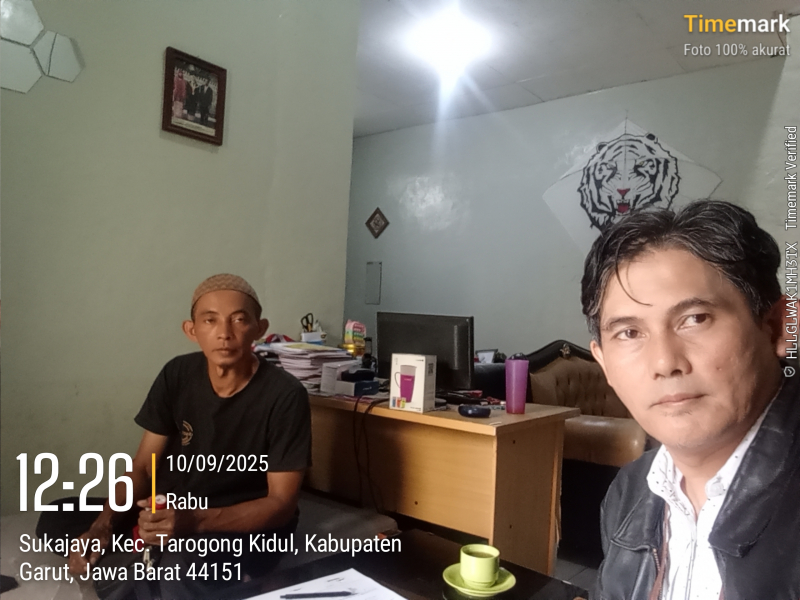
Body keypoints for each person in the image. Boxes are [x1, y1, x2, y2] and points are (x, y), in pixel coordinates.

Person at [37, 274, 311, 599]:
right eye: (210, 320)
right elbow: (143, 467)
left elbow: (281, 504)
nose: (224, 333)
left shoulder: (285, 395)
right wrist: (103, 525)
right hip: (177, 506)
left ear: (259, 328)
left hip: (239, 520)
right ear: (191, 330)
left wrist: (193, 522)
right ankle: (148, 556)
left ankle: (152, 563)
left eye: (239, 320)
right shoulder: (177, 374)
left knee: (185, 562)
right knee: (57, 515)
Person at [581, 200, 799, 599]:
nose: (665, 362)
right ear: (604, 363)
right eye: (629, 333)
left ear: (779, 326)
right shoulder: (629, 493)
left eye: (695, 319)